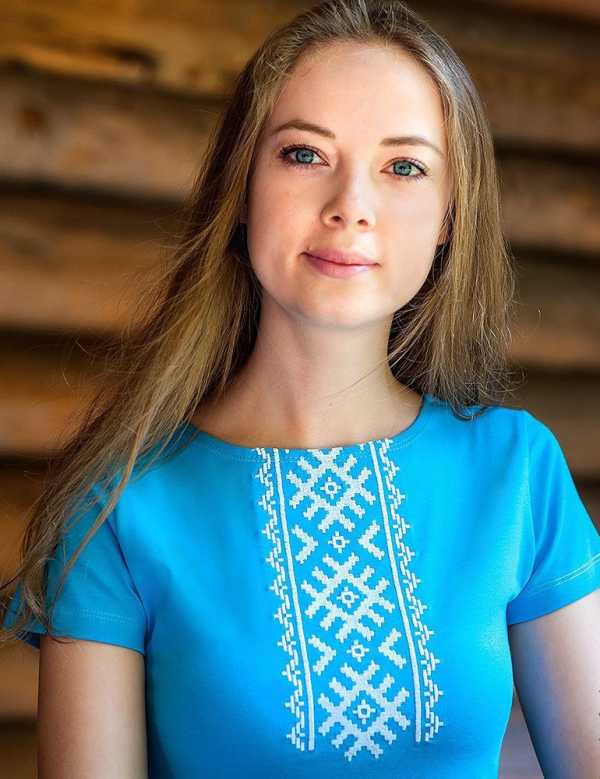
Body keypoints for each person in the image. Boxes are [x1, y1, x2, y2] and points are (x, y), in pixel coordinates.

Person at [2, 1, 599, 776]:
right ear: (242, 187)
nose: (351, 205)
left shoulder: (516, 471)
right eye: (305, 154)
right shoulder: (118, 508)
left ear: (450, 216)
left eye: (404, 167)